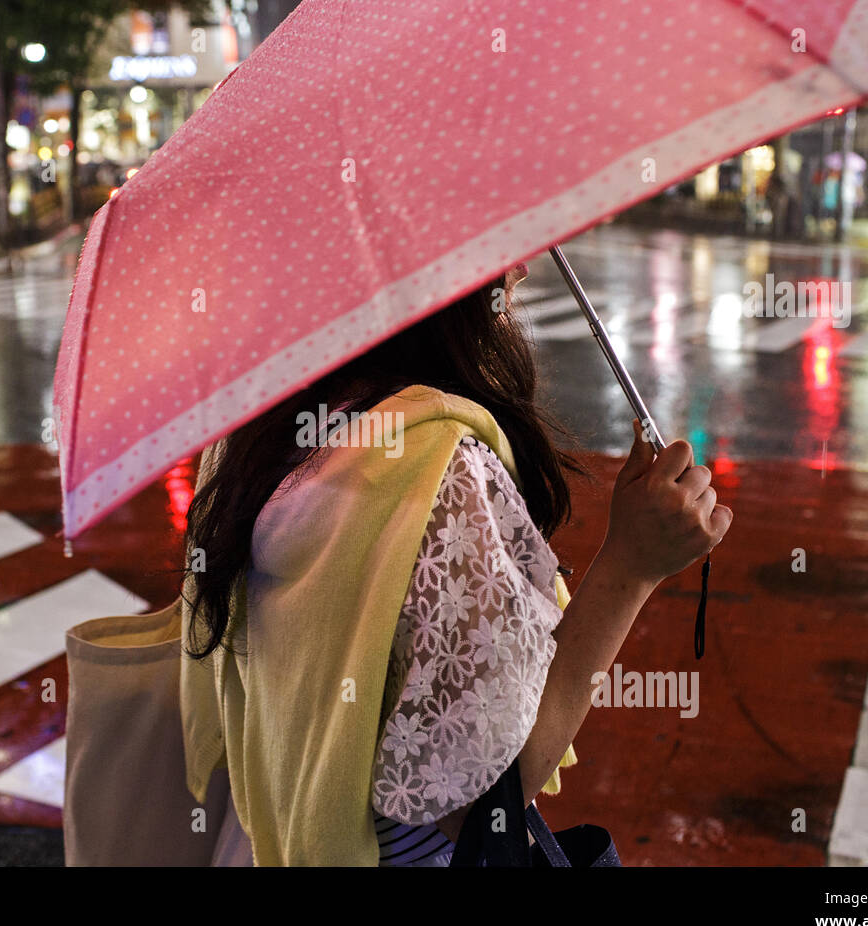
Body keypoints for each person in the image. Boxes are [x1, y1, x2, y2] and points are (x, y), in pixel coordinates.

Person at [181, 265, 732, 865]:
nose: (520, 265)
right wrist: (633, 566)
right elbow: (484, 799)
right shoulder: (433, 466)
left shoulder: (251, 427)